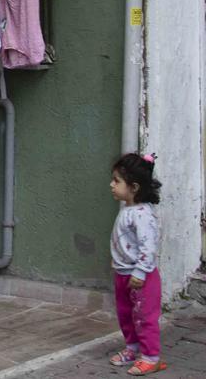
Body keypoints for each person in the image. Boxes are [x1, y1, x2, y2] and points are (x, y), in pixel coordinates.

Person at [108, 153, 167, 376]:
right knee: (126, 315)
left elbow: (148, 247)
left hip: (140, 277)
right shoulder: (128, 210)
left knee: (144, 317)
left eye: (116, 181)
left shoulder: (143, 214)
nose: (112, 185)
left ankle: (151, 357)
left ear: (133, 187)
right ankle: (133, 349)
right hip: (123, 274)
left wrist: (140, 272)